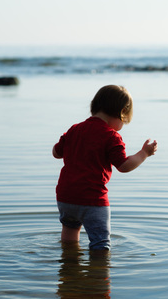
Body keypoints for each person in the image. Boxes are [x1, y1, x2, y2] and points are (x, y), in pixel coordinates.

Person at [52, 85, 158, 251]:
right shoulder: (111, 136)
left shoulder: (74, 129)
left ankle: (69, 265)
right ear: (122, 112)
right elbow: (124, 166)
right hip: (93, 199)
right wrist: (144, 153)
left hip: (66, 196)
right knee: (101, 244)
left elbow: (56, 153)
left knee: (70, 230)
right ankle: (98, 274)